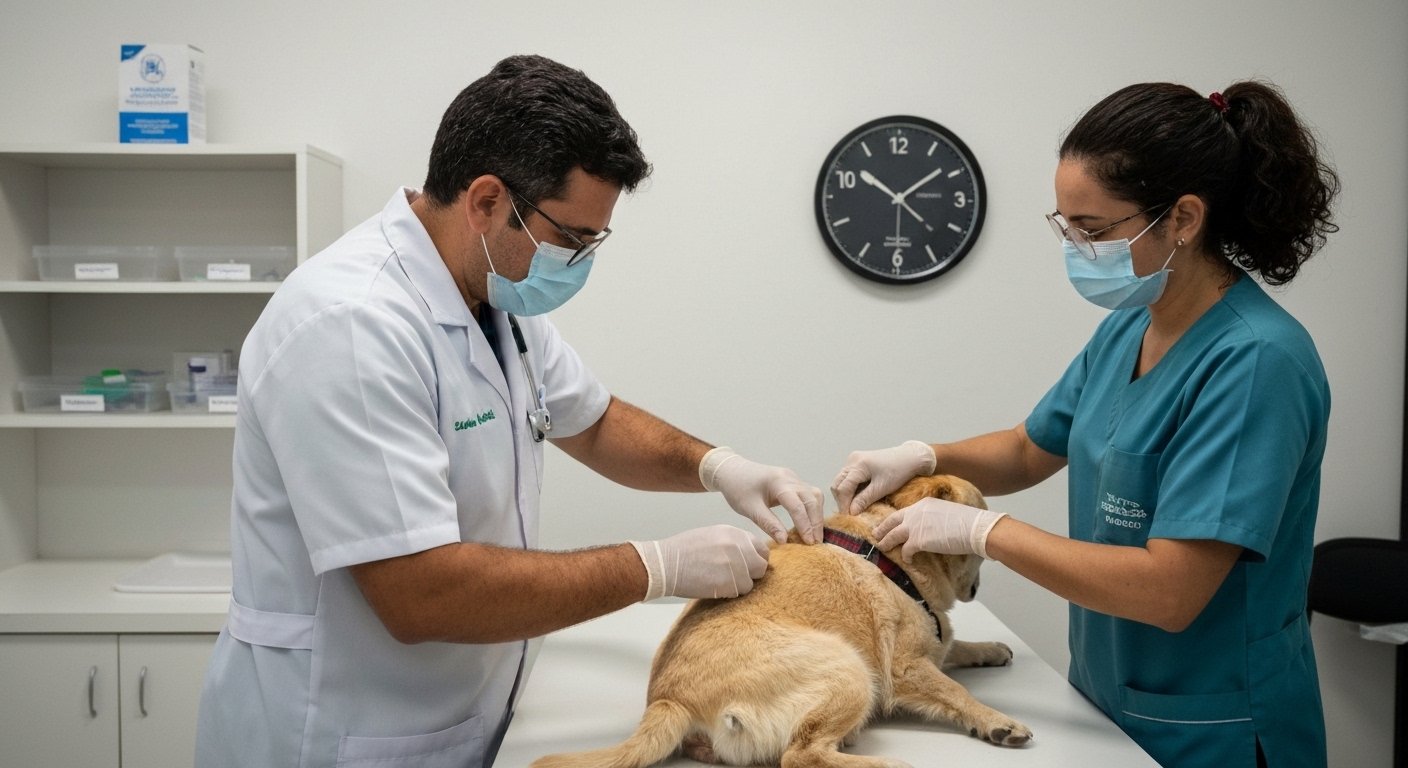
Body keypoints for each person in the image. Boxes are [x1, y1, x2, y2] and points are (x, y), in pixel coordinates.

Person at [195, 54, 824, 768]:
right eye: (573, 238)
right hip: (346, 732)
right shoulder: (351, 325)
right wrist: (654, 567)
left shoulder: (490, 296)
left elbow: (593, 421)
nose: (583, 260)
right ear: (488, 201)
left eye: (595, 240)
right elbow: (420, 595)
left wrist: (720, 466)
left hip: (469, 712)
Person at [832, 80, 1338, 768]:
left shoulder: (1256, 363)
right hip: (1109, 699)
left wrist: (985, 532)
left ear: (1184, 219)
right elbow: (1028, 448)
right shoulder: (1133, 325)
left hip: (1213, 724)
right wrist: (921, 456)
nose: (1076, 247)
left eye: (1094, 230)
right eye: (1065, 226)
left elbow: (1170, 590)